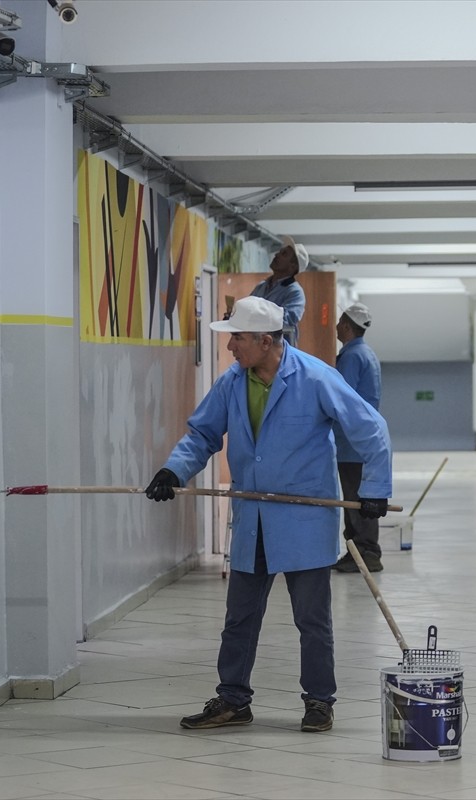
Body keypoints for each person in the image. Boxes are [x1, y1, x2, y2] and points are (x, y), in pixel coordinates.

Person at [144, 295, 392, 734]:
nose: (230, 347)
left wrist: (374, 490)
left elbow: (371, 429)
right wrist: (173, 469)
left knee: (312, 620)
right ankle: (232, 699)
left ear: (264, 339)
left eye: (237, 338)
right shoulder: (231, 383)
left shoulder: (315, 378)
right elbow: (202, 434)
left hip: (304, 519)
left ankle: (319, 701)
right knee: (240, 617)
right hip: (253, 519)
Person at [330, 303, 386, 574]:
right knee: (359, 495)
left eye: (340, 320)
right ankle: (359, 551)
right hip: (361, 439)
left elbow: (341, 397)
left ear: (348, 325)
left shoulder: (351, 357)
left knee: (356, 498)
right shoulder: (366, 353)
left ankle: (366, 553)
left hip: (352, 441)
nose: (337, 325)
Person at [250, 237, 308, 346]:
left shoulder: (295, 292)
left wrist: (255, 315)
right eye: (280, 252)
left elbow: (286, 320)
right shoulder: (262, 286)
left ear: (292, 266)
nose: (277, 255)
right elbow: (248, 307)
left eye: (284, 254)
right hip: (257, 349)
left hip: (279, 352)